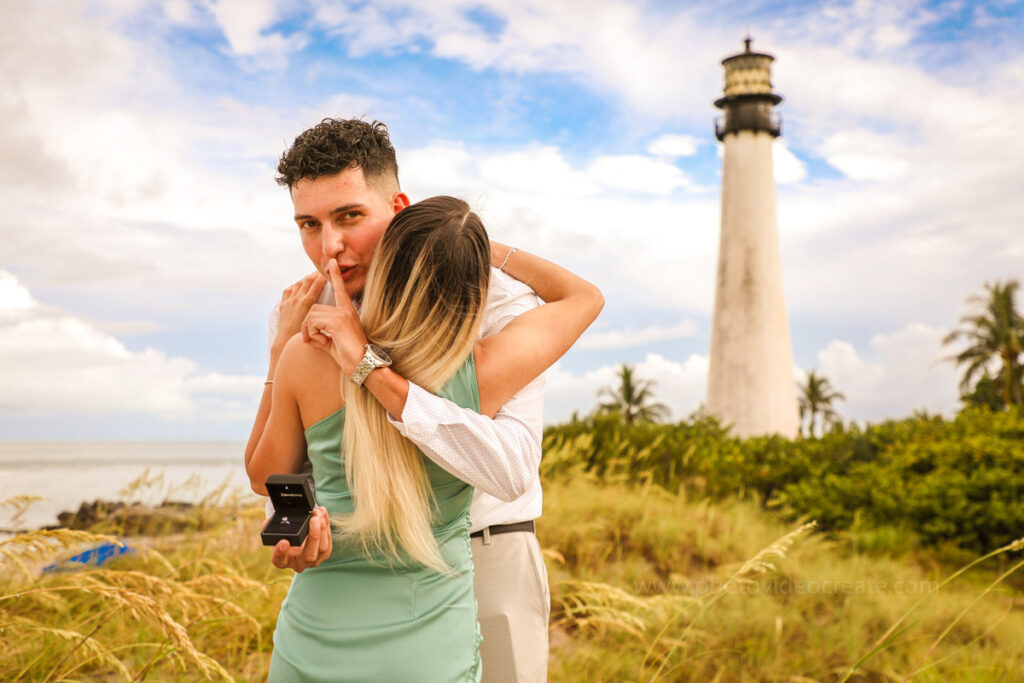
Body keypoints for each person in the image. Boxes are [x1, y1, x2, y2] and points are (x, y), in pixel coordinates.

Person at [244, 119, 567, 681]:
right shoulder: (299, 314)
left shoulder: (496, 303)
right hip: (354, 572)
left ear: (397, 207)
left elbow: (512, 463)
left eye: (349, 216)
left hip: (486, 551)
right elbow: (291, 471)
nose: (330, 247)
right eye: (308, 224)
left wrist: (479, 245)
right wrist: (302, 529)